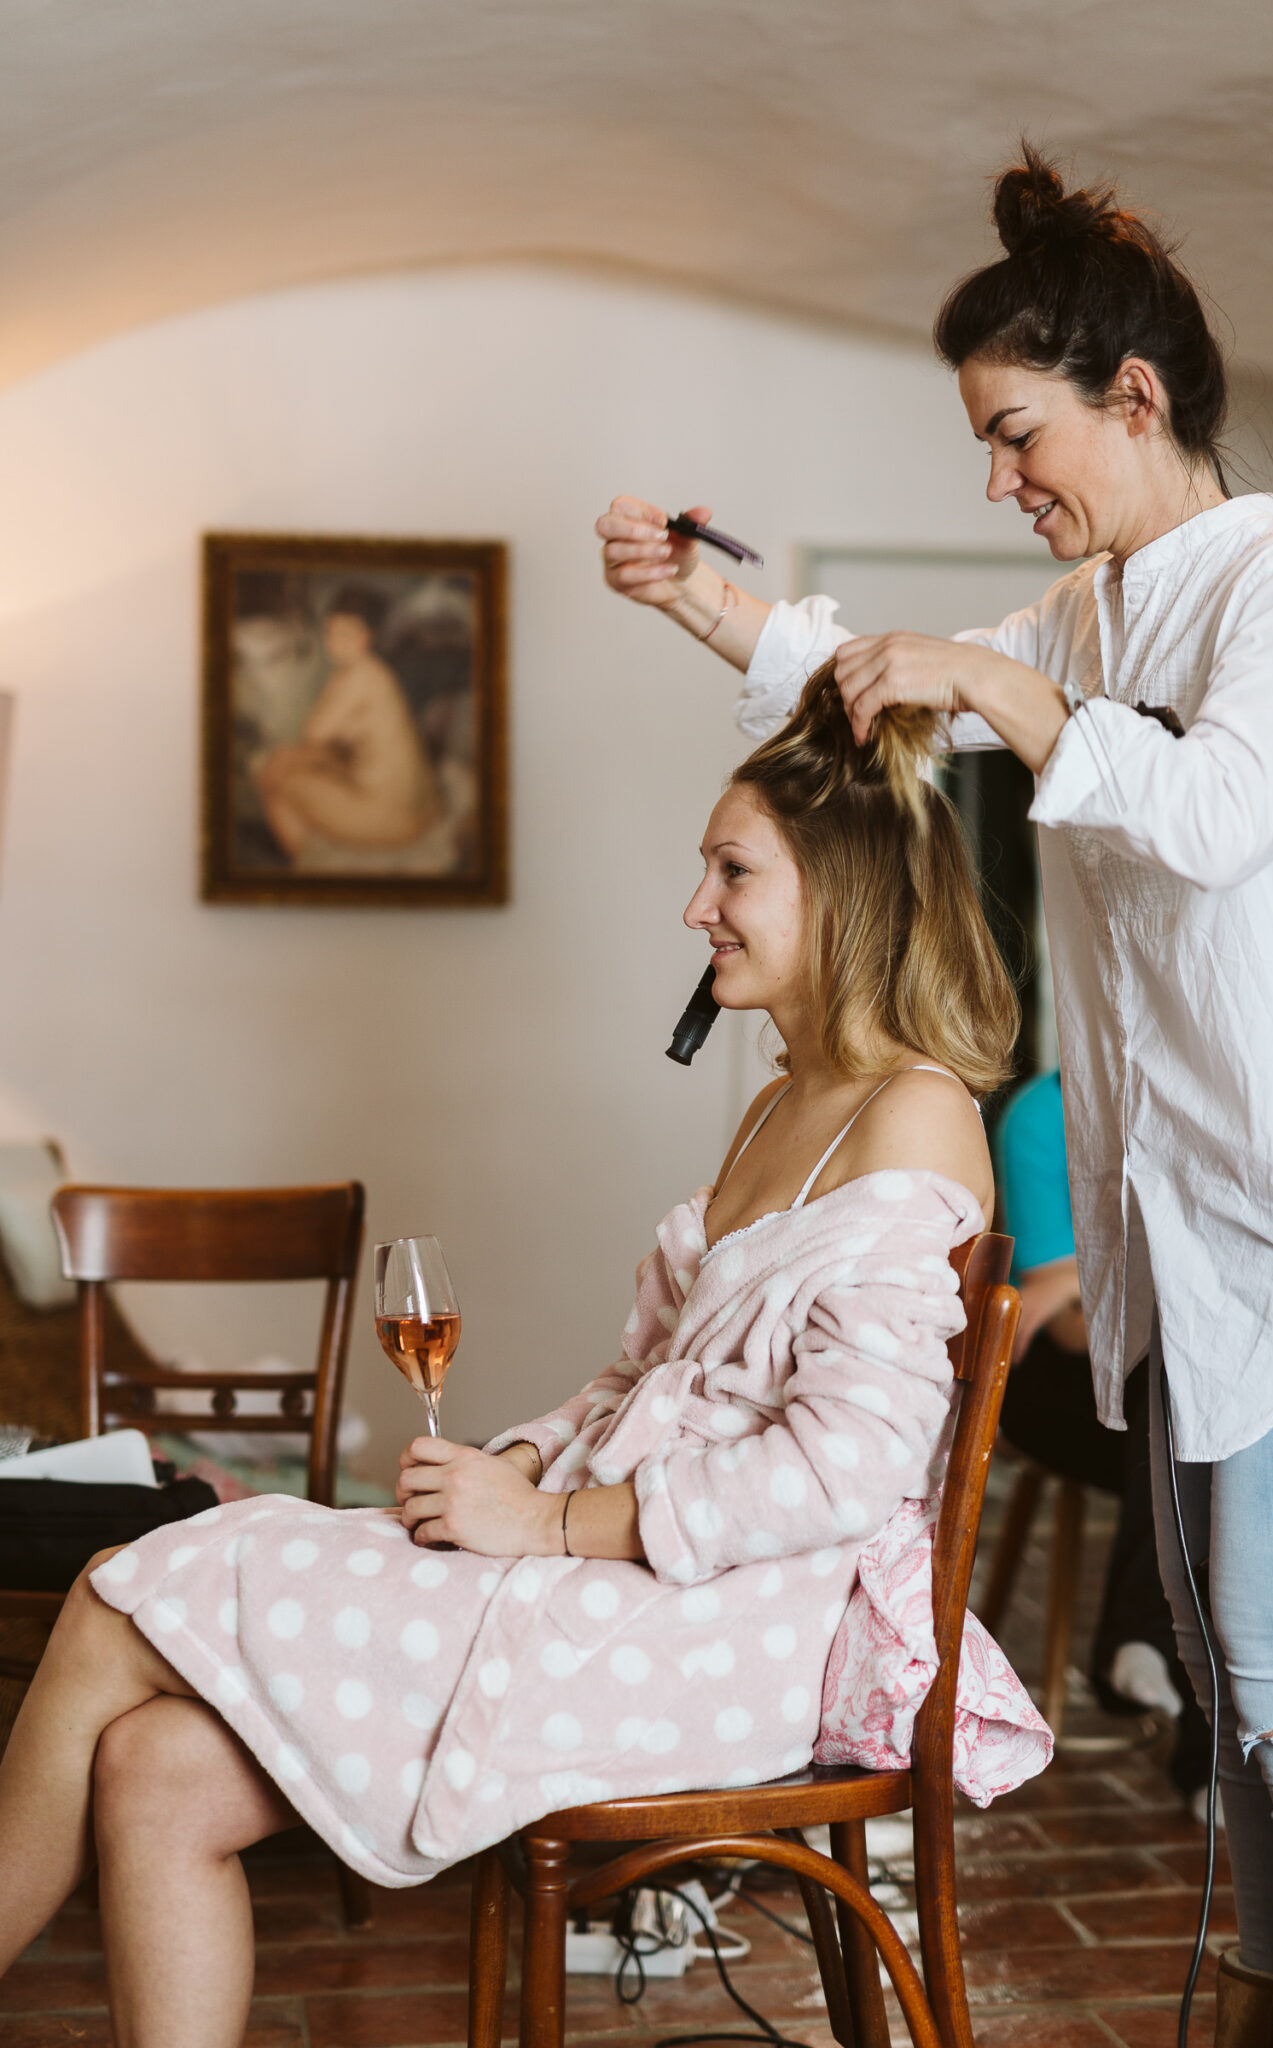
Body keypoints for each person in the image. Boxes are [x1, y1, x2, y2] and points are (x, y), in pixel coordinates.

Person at [597, 145, 1273, 2048]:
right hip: (1166, 1231)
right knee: (1221, 1672)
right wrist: (712, 604)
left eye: (1018, 435)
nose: (1002, 482)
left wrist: (991, 687)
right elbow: (875, 678)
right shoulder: (1093, 618)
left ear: (1135, 395)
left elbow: (1209, 809)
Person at [0, 671, 1047, 2048]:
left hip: (731, 1627)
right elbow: (638, 1381)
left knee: (116, 1590)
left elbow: (847, 1469)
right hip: (630, 1580)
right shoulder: (787, 1103)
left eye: (731, 871)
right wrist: (519, 1461)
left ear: (842, 892)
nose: (697, 908)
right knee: (154, 1768)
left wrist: (551, 1524)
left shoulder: (913, 1118)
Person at [995, 1070, 1212, 1807]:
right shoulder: (1045, 1113)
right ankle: (1205, 1765)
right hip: (1060, 1382)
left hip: (1172, 1382)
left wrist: (1109, 1280)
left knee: (1205, 1418)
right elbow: (1062, 1319)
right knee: (1186, 1400)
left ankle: (1142, 1641)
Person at [254, 584, 440, 859]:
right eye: (331, 632)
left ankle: (310, 866)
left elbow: (313, 732)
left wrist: (283, 762)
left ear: (368, 637)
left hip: (393, 817)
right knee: (286, 763)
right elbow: (334, 743)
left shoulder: (359, 675)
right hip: (415, 808)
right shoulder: (378, 672)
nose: (334, 642)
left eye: (346, 634)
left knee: (276, 782)